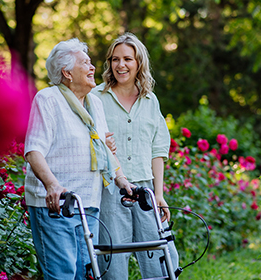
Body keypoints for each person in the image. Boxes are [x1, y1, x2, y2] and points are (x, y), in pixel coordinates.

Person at [24, 38, 134, 280]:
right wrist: (52, 185)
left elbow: (104, 149)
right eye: (85, 63)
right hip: (56, 206)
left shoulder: (94, 102)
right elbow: (34, 150)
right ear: (67, 72)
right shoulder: (48, 99)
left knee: (86, 274)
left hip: (88, 205)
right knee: (63, 274)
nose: (93, 67)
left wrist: (122, 180)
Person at [91, 32, 179, 279]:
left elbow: (158, 151)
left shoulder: (150, 100)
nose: (121, 65)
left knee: (160, 259)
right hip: (109, 190)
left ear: (139, 62)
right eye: (115, 59)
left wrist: (158, 194)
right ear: (109, 63)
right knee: (112, 261)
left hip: (145, 190)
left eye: (128, 59)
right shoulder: (95, 98)